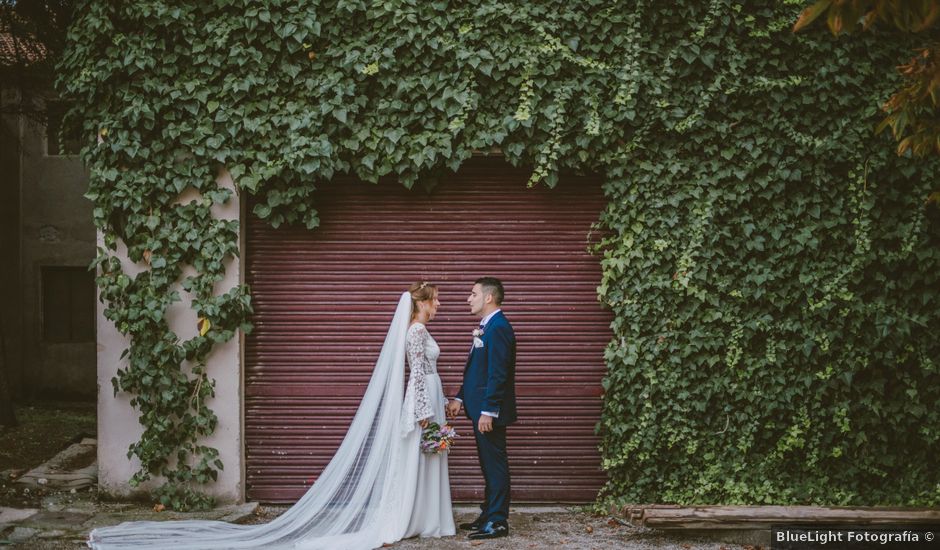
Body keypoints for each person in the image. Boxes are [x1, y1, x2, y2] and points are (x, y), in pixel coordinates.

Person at [88, 283, 455, 549]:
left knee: (419, 463)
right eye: (436, 299)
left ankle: (420, 516)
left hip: (429, 399)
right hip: (422, 403)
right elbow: (418, 375)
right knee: (415, 461)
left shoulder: (420, 329)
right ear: (422, 302)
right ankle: (414, 517)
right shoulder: (417, 331)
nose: (440, 305)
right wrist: (425, 416)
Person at [447, 277, 517, 540]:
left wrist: (489, 411)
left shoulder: (498, 327)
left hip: (489, 413)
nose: (469, 298)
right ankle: (488, 514)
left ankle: (498, 522)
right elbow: (477, 372)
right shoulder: (486, 327)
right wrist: (461, 398)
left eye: (473, 294)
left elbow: (498, 373)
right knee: (487, 465)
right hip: (479, 410)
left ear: (489, 297)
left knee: (495, 465)